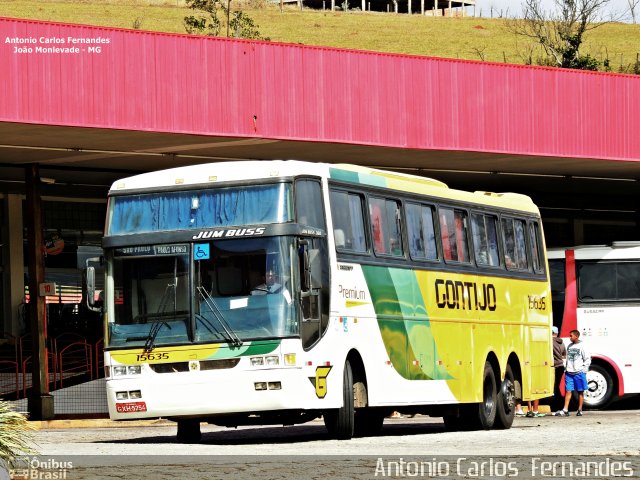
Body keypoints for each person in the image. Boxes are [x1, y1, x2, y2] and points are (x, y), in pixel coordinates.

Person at [554, 329, 590, 417]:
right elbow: (567, 358)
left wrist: (583, 370)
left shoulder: (582, 346)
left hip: (579, 373)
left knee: (580, 391)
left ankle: (580, 409)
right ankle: (565, 409)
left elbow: (587, 359)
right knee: (568, 390)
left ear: (576, 336)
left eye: (571, 336)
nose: (570, 337)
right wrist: (566, 368)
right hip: (569, 373)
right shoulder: (569, 346)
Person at [551, 326, 567, 411]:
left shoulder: (550, 342)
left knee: (554, 388)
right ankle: (560, 405)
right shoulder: (561, 342)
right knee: (557, 386)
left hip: (554, 367)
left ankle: (556, 406)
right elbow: (564, 354)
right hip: (561, 366)